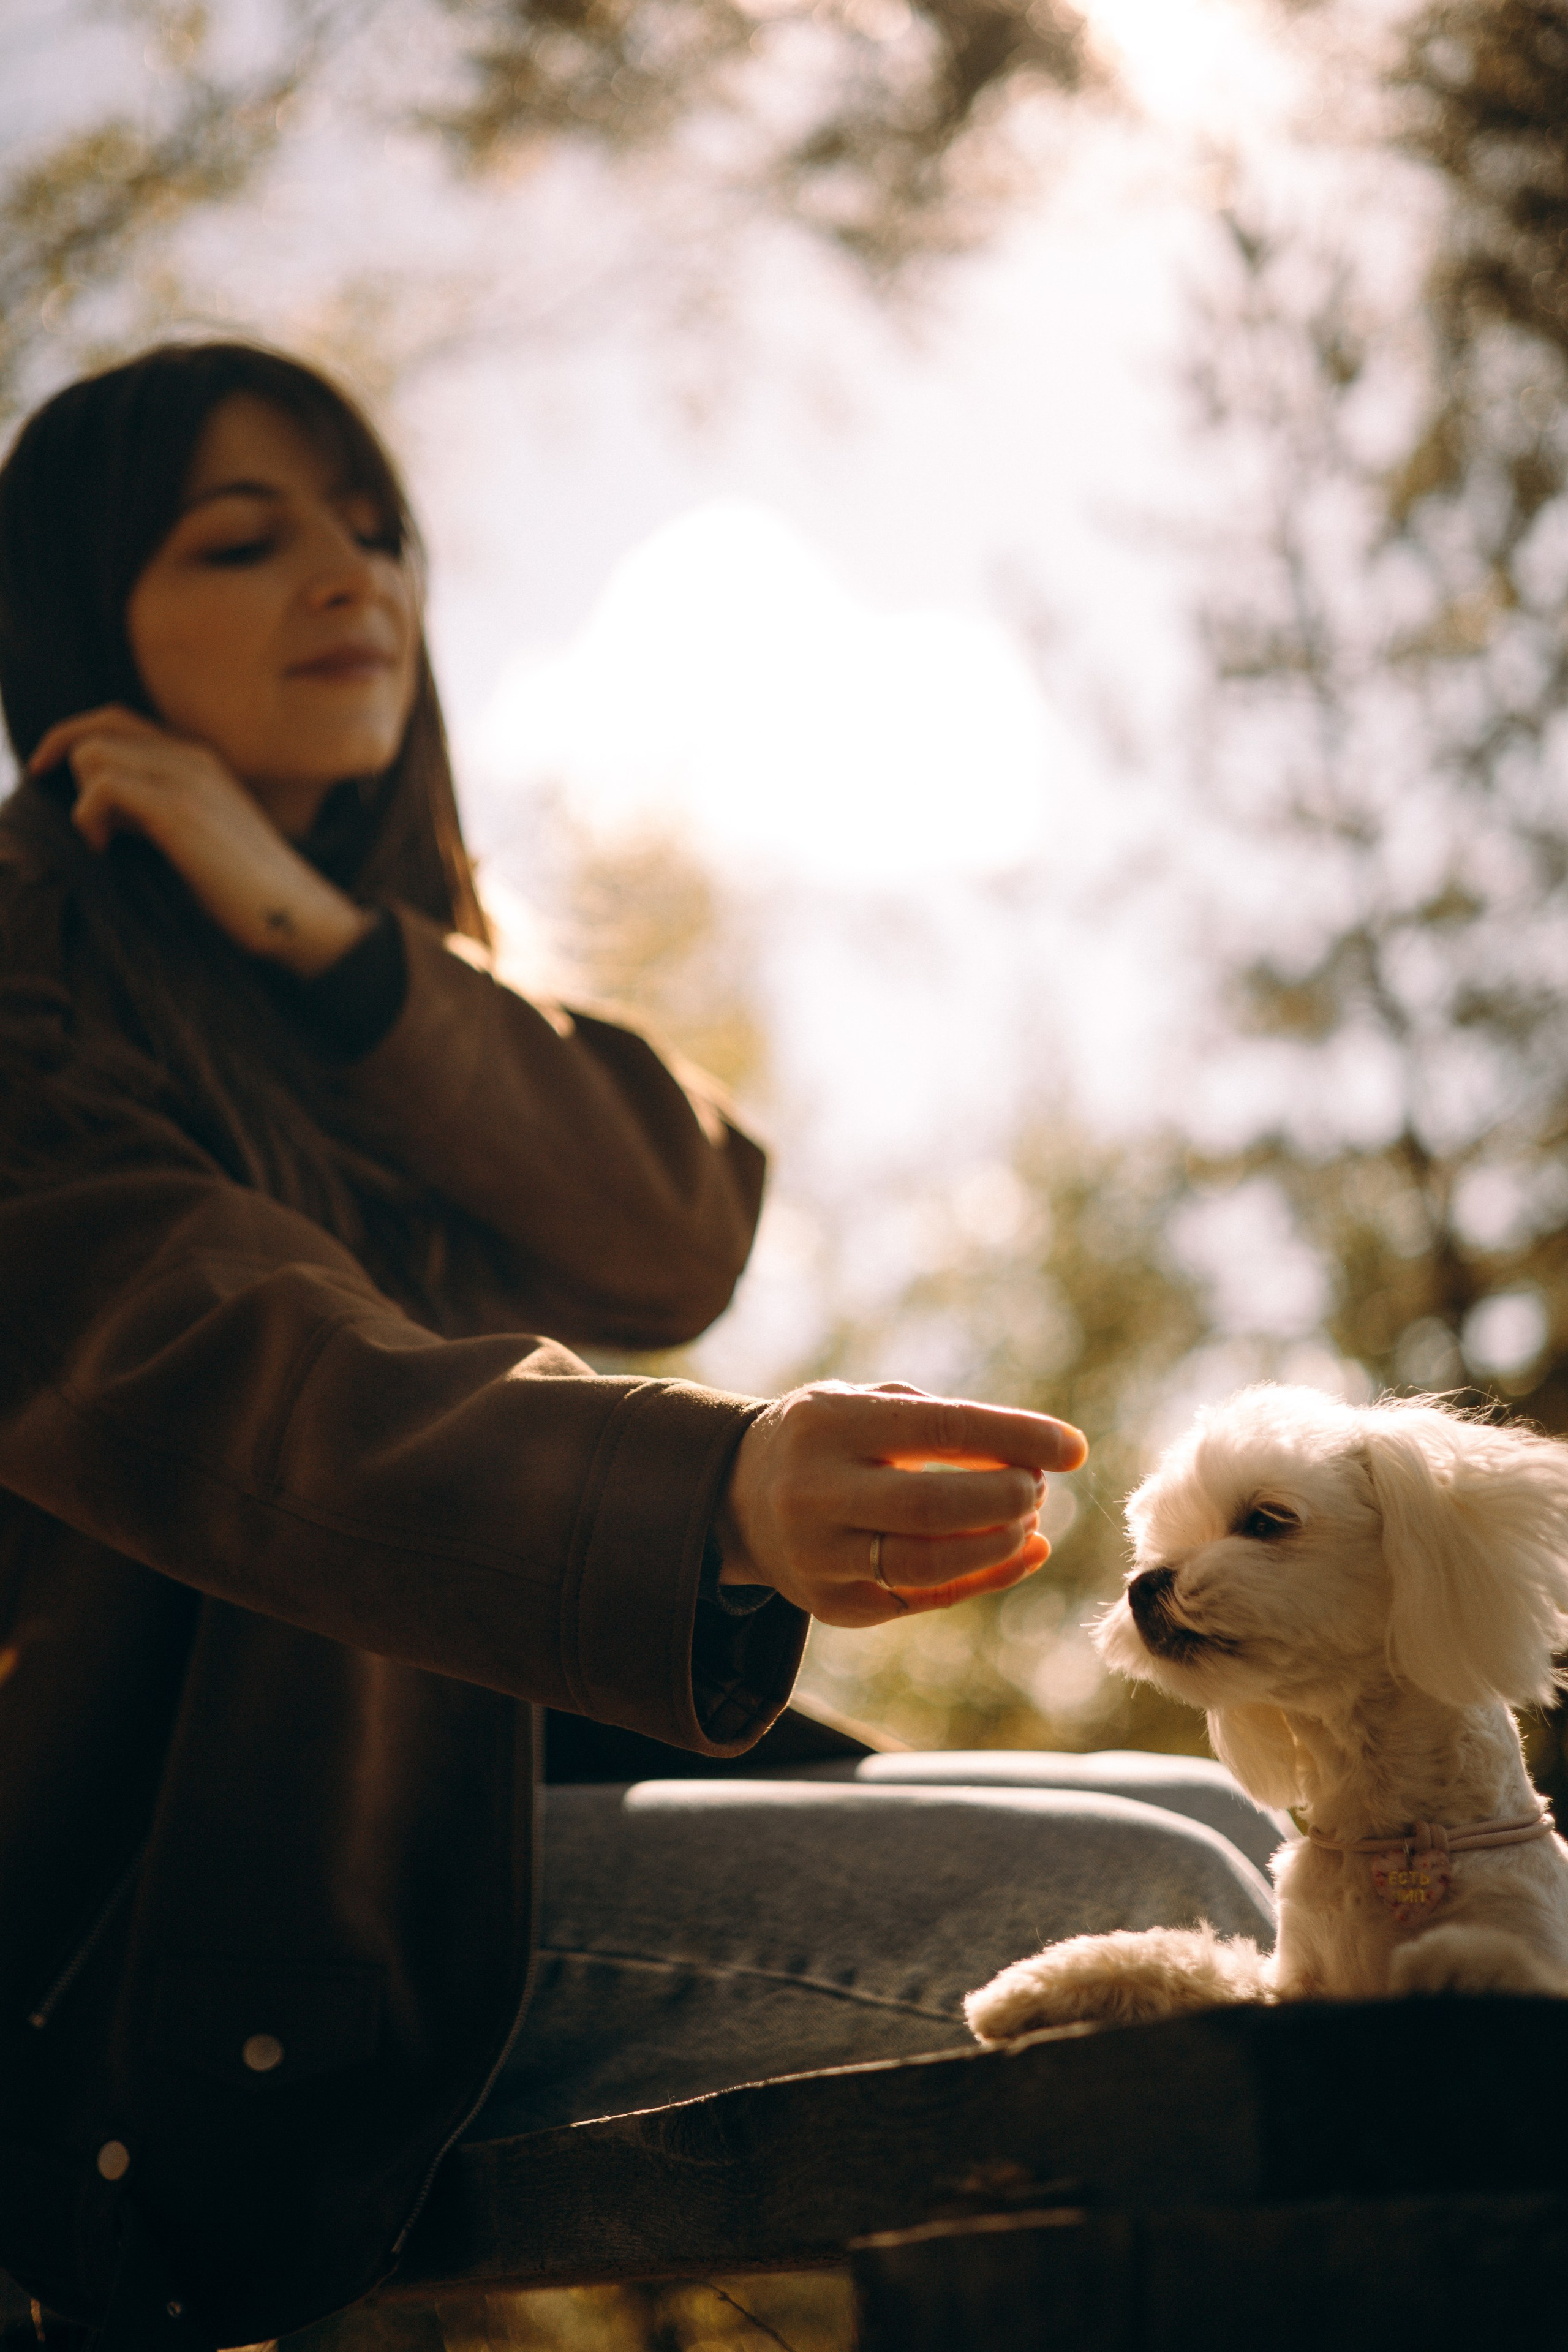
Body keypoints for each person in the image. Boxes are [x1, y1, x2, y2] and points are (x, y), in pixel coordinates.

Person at [0, 344, 1280, 2349]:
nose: (352, 581)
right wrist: (715, 1491)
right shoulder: (22, 974)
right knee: (1180, 1918)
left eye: (374, 530)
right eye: (244, 541)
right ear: (80, 619)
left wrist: (328, 949)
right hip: (176, 1935)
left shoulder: (342, 996)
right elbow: (233, 1363)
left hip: (471, 1833)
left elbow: (664, 1230)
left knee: (1231, 1836)